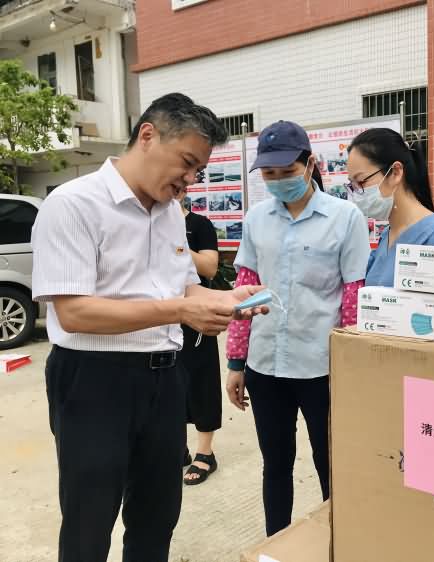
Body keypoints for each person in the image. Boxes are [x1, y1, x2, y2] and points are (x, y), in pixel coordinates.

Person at [31, 92, 268, 562]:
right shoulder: (74, 204)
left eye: (199, 169)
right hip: (94, 380)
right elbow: (74, 312)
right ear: (147, 135)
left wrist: (224, 300)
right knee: (89, 522)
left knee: (156, 517)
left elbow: (181, 287)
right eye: (187, 162)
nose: (191, 179)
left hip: (164, 379)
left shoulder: (169, 213)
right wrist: (179, 312)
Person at [224, 120, 370, 536]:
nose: (278, 181)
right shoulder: (256, 219)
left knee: (330, 463)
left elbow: (353, 297)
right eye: (269, 174)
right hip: (266, 366)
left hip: (322, 368)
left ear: (310, 164)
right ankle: (277, 545)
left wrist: (351, 369)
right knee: (275, 464)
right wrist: (236, 362)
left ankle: (336, 543)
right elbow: (245, 290)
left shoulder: (345, 218)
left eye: (286, 171)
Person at [345, 128, 434, 286]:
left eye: (361, 182)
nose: (357, 194)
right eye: (353, 185)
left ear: (395, 173)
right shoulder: (386, 236)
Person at [175, 187, 222, 485]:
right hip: (161, 315)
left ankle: (205, 452)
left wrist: (177, 244)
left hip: (198, 312)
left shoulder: (199, 225)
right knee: (168, 385)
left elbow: (210, 267)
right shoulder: (148, 224)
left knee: (201, 382)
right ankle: (177, 448)